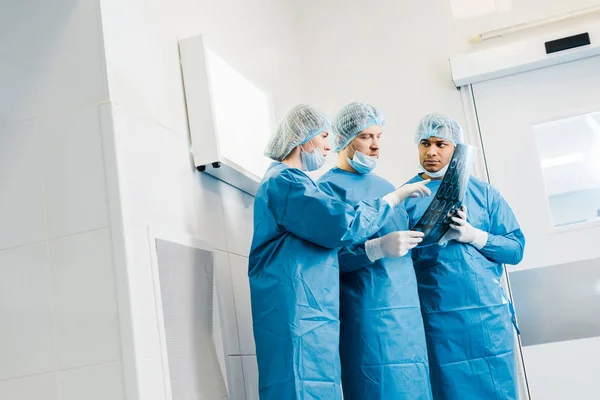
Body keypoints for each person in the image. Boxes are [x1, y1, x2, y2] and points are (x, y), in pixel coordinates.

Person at [249, 104, 431, 400]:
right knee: (299, 385)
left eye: (379, 136)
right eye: (322, 136)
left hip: (315, 309)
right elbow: (341, 225)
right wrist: (391, 204)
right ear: (302, 138)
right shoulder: (286, 182)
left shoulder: (296, 182)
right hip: (298, 308)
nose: (327, 145)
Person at [403, 113, 526, 400]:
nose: (431, 151)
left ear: (456, 147)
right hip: (438, 319)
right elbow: (398, 264)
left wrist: (475, 236)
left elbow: (515, 248)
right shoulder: (406, 197)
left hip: (487, 318)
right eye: (425, 143)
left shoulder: (484, 193)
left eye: (440, 144)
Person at [317, 102, 433, 400]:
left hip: (406, 313)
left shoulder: (386, 186)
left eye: (379, 137)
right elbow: (325, 261)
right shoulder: (328, 190)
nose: (375, 146)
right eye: (366, 137)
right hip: (367, 313)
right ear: (344, 140)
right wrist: (376, 248)